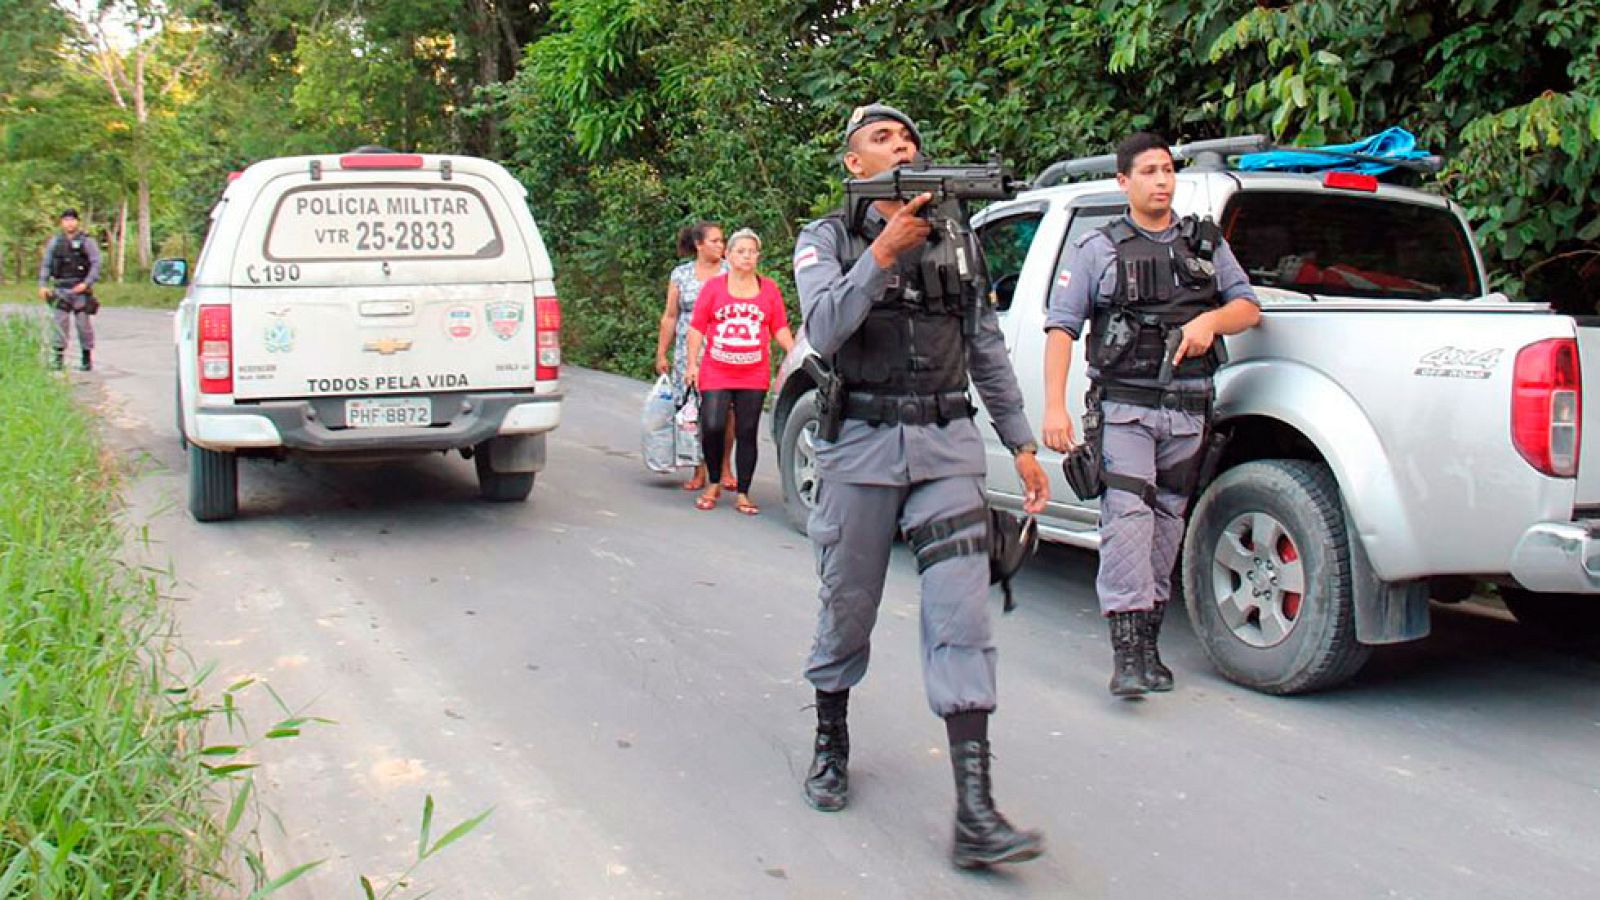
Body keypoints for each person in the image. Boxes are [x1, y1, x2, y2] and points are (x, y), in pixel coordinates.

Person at [792, 103, 1049, 869]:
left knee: (962, 617)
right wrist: (880, 258)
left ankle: (975, 811)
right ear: (854, 165)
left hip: (945, 447)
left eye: (907, 137)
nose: (900, 145)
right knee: (848, 606)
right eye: (882, 138)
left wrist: (1023, 444)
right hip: (860, 447)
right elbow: (823, 330)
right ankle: (831, 737)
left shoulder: (958, 240)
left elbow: (986, 349)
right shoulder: (827, 238)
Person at [1040, 132, 1262, 697]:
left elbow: (1246, 305)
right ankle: (1127, 657)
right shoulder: (1098, 247)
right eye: (1148, 172)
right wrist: (1053, 408)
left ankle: (1150, 645)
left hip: (1188, 410)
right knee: (1128, 525)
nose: (1161, 181)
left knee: (1167, 528)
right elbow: (1061, 327)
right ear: (1124, 182)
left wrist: (1210, 323)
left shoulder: (1204, 243)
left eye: (1167, 170)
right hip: (1126, 410)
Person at [684, 228, 794, 515]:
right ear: (728, 255)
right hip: (716, 369)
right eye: (741, 251)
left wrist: (795, 355)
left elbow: (779, 326)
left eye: (752, 251)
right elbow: (696, 327)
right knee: (713, 425)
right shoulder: (714, 288)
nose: (747, 256)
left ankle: (744, 492)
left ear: (758, 256)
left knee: (747, 430)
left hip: (753, 372)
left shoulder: (768, 288)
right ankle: (714, 481)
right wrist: (692, 364)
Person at [656, 222, 734, 491]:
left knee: (726, 411)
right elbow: (670, 316)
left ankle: (724, 466)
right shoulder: (681, 275)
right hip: (687, 353)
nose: (720, 246)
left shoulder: (730, 272)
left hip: (723, 348)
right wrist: (661, 353)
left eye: (722, 241)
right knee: (693, 411)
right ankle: (698, 468)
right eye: (714, 241)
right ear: (699, 245)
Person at [37, 209, 102, 371]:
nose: (69, 223)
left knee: (83, 325)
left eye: (72, 220)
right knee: (60, 325)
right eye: (66, 220)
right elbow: (46, 264)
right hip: (60, 288)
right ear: (61, 223)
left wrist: (87, 283)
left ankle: (86, 358)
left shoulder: (87, 241)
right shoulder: (55, 242)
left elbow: (96, 263)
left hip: (80, 289)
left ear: (77, 222)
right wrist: (43, 284)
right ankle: (58, 359)